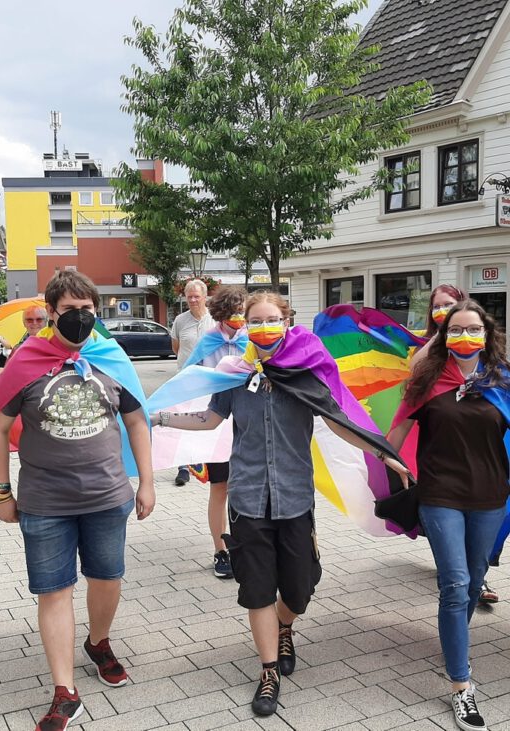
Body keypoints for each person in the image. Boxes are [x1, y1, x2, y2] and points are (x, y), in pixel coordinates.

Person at [153, 291, 410, 718]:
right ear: (246, 325)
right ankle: (268, 671)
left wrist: (382, 452)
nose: (264, 326)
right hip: (248, 500)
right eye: (256, 320)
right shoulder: (235, 374)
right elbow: (210, 419)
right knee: (256, 589)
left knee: (301, 588)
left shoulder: (305, 373)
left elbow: (338, 419)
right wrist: (158, 416)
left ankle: (285, 623)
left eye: (273, 319)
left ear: (287, 322)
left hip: (294, 499)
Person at [0, 270, 155, 731]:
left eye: (87, 311)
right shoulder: (27, 360)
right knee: (53, 591)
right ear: (51, 315)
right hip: (45, 501)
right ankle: (64, 690)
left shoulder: (108, 357)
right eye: (69, 312)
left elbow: (138, 422)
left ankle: (98, 642)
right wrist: (1, 491)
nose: (79, 319)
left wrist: (148, 482)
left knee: (107, 579)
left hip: (107, 495)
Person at [388, 300, 510, 731]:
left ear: (487, 333)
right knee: (456, 585)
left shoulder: (503, 380)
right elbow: (394, 436)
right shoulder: (426, 382)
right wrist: (393, 462)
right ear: (443, 336)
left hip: (492, 497)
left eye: (472, 329)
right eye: (454, 330)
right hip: (440, 495)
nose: (464, 337)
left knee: (474, 583)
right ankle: (462, 685)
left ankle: (452, 638)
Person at [182, 285, 248, 579]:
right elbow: (188, 378)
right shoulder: (209, 341)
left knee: (244, 488)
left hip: (249, 424)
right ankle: (221, 550)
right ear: (220, 315)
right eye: (232, 314)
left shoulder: (254, 338)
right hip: (218, 424)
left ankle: (244, 546)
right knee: (220, 488)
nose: (237, 319)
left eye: (241, 313)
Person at [170, 279, 213, 485]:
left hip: (210, 379)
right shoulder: (180, 320)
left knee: (207, 419)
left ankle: (206, 461)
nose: (193, 300)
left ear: (205, 297)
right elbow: (176, 348)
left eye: (197, 296)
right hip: (186, 379)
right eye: (190, 297)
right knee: (184, 421)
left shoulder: (215, 319)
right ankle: (182, 467)